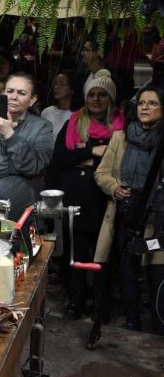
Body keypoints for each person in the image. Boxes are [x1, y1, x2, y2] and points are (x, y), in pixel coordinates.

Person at [50, 70, 124, 319]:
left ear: (110, 98)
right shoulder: (74, 122)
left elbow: (120, 163)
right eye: (91, 94)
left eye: (102, 95)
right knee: (77, 253)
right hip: (78, 196)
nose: (96, 99)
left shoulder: (121, 125)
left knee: (103, 254)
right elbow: (61, 157)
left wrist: (82, 157)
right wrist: (93, 150)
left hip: (106, 198)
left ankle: (102, 305)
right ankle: (77, 300)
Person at [94, 86, 164, 333]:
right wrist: (114, 187)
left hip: (156, 220)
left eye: (152, 103)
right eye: (141, 103)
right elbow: (101, 173)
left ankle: (158, 326)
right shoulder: (120, 137)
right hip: (125, 212)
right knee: (126, 269)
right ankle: (132, 318)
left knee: (156, 272)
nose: (144, 107)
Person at [0, 72, 54, 221]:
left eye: (21, 93)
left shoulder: (42, 127)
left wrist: (9, 134)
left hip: (23, 215)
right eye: (10, 91)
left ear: (32, 100)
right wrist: (16, 167)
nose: (13, 96)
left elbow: (35, 166)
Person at [41, 72, 80, 143]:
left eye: (62, 84)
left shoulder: (78, 116)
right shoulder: (46, 112)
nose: (56, 87)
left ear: (72, 89)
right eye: (55, 84)